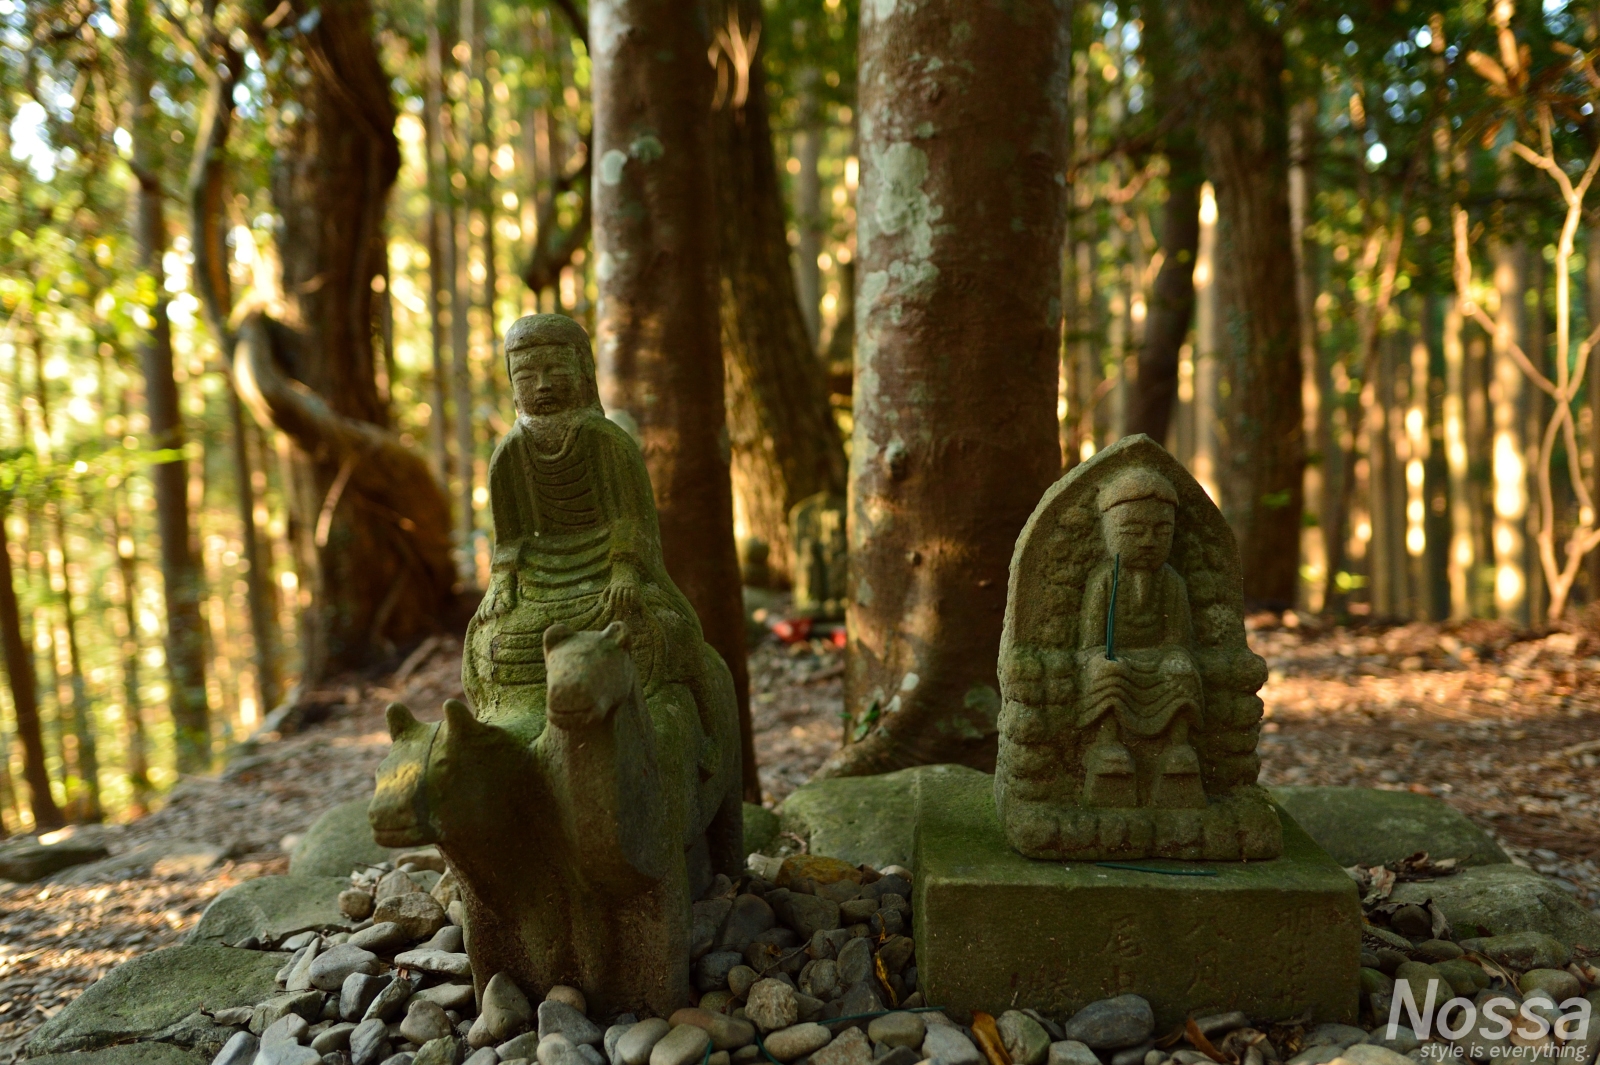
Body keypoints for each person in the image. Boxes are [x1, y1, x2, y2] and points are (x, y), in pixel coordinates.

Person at [464, 313, 708, 719]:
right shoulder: (508, 454)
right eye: (526, 376)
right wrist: (501, 585)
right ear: (512, 384)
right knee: (492, 641)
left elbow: (630, 520)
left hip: (604, 579)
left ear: (583, 374)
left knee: (662, 631)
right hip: (540, 584)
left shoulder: (607, 441)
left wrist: (625, 571)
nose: (541, 385)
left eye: (555, 371)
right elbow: (510, 540)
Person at [1074, 467, 1206, 809]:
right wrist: (1100, 657)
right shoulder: (1103, 581)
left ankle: (1177, 748)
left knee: (1180, 671)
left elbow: (1178, 639)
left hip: (1158, 661)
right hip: (1118, 662)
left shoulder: (1172, 582)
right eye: (1134, 530)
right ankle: (1107, 745)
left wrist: (1175, 655)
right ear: (1109, 533)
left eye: (1161, 531)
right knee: (1107, 671)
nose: (1148, 541)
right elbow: (1090, 642)